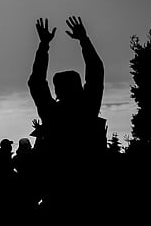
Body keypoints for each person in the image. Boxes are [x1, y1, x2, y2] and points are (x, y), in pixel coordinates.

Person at [28, 16, 106, 221]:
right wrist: (84, 40)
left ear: (57, 91)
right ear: (79, 86)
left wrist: (43, 46)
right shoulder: (88, 108)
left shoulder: (52, 114)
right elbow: (97, 72)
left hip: (58, 194)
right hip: (91, 192)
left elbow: (36, 83)